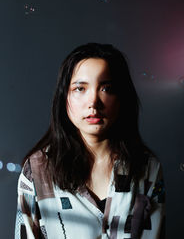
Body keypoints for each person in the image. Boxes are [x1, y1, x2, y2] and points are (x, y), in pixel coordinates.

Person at [15, 43, 165, 239]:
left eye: (106, 88)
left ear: (121, 98)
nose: (93, 101)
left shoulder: (147, 167)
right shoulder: (37, 170)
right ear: (64, 97)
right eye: (80, 88)